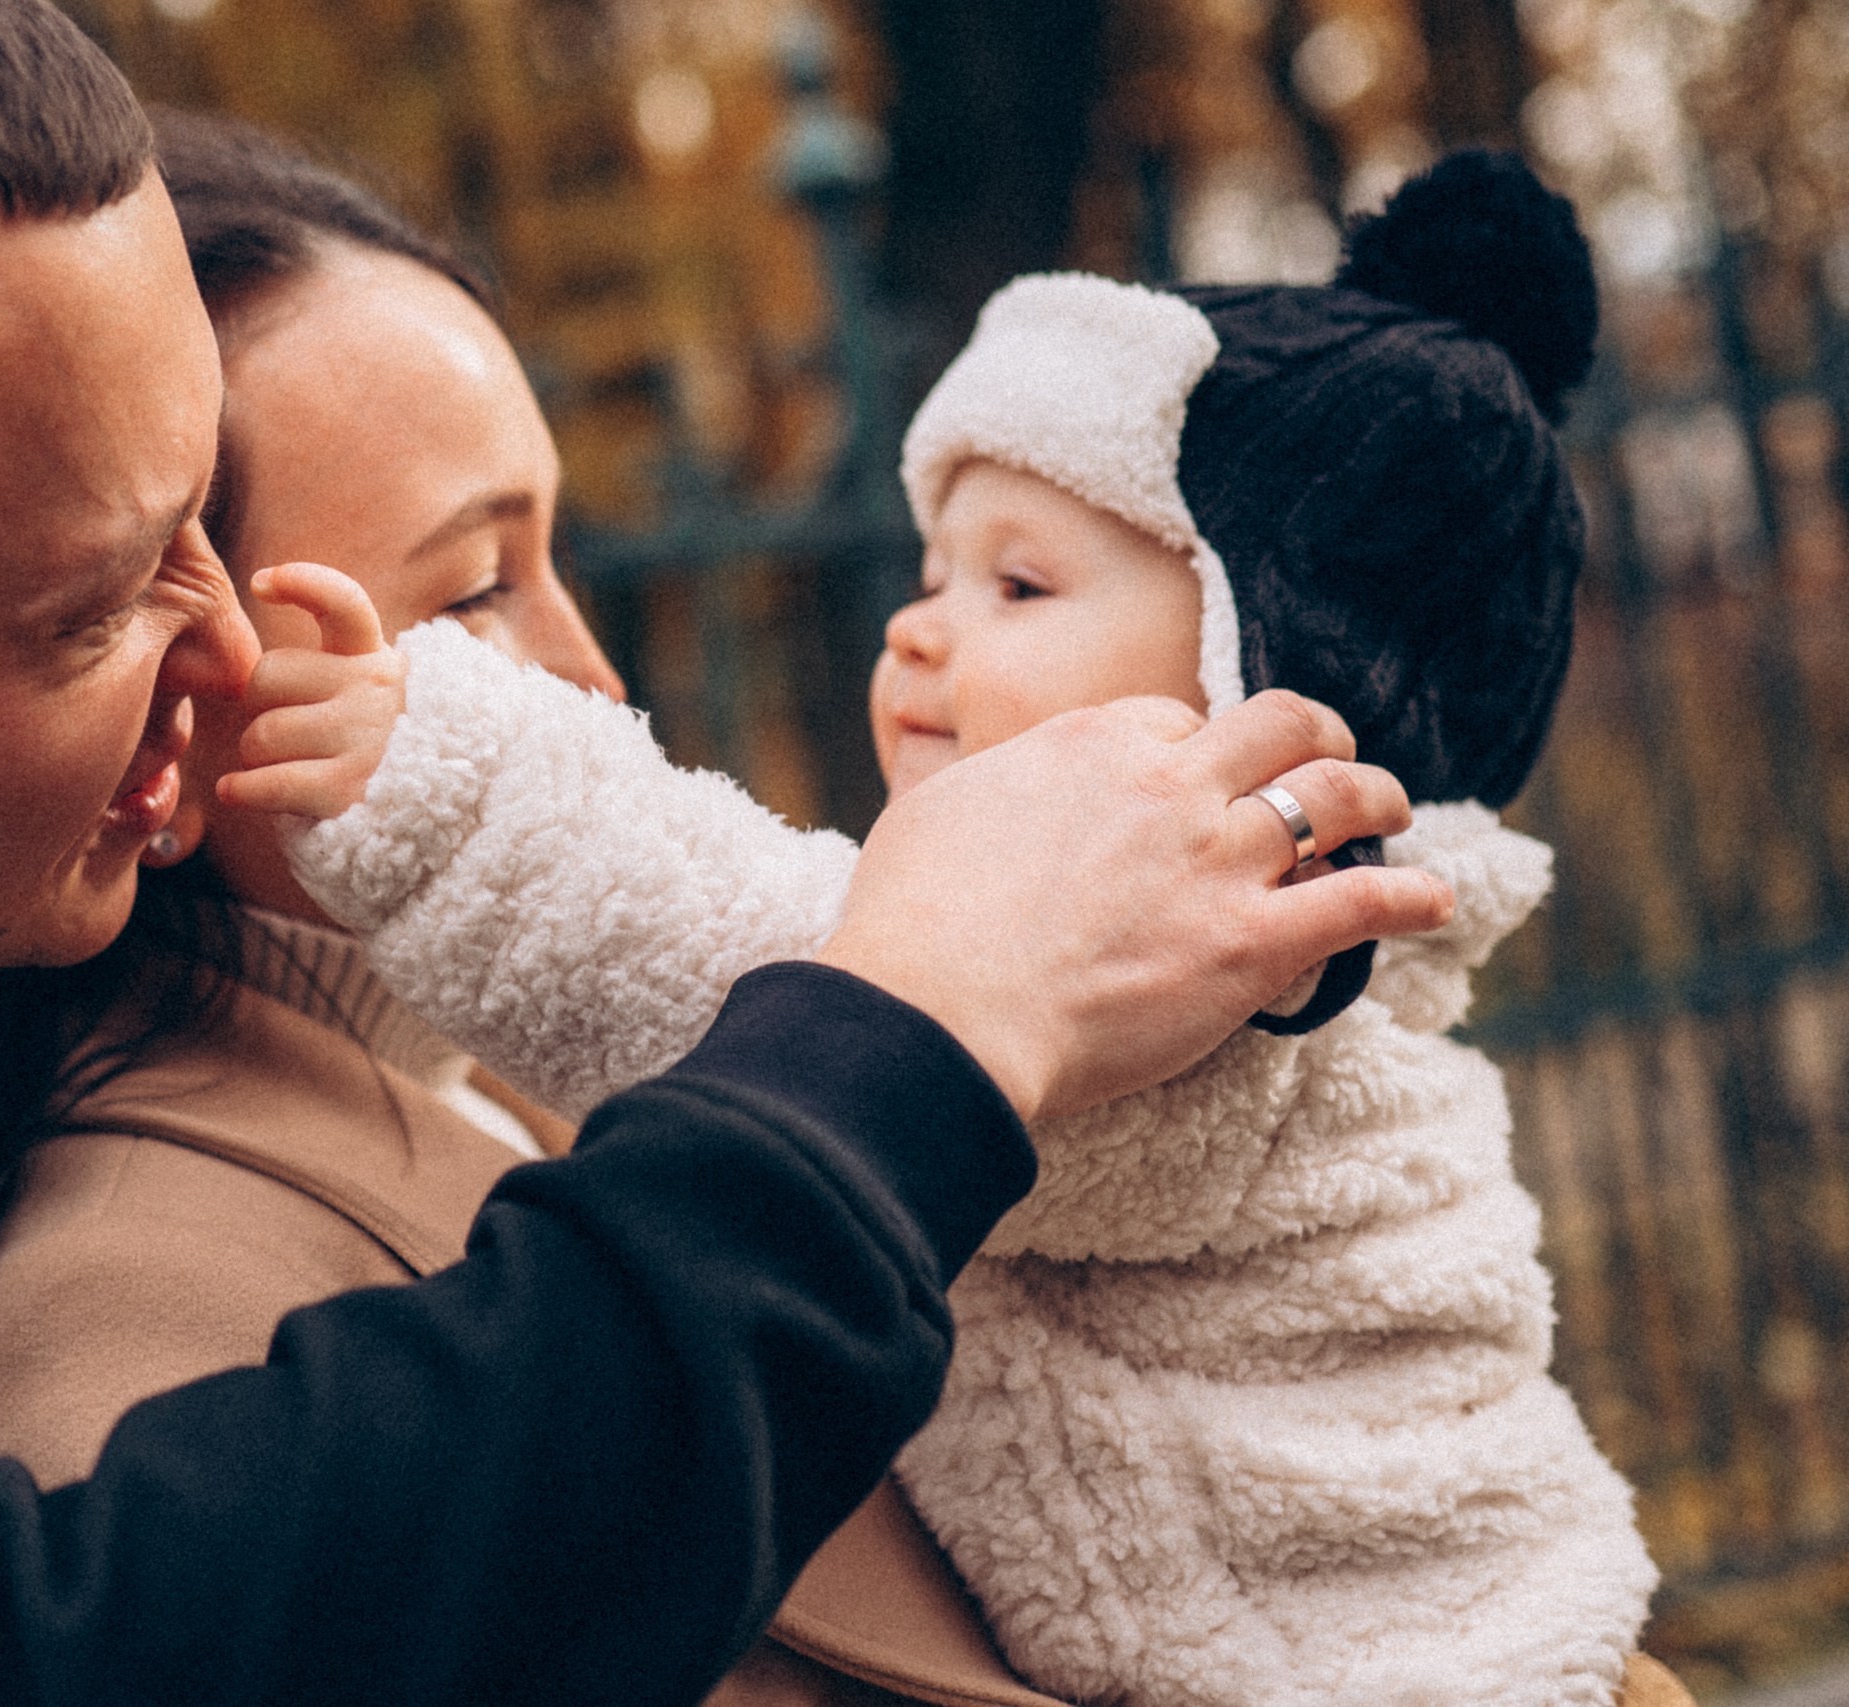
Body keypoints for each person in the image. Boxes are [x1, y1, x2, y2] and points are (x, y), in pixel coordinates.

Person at [0, 3, 1444, 1703]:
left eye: (205, 527)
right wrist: (908, 1039)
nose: (232, 655)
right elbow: (29, 1649)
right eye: (94, 600)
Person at [179, 153, 1691, 1706]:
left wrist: (447, 776)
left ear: (1268, 700)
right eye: (475, 597)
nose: (917, 625)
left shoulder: (1243, 997)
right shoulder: (159, 1279)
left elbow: (761, 980)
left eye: (1022, 585)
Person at [0, 111, 1052, 1707]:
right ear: (174, 698)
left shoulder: (578, 1041)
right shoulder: (134, 1323)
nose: (597, 676)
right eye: (471, 589)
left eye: (555, 555)